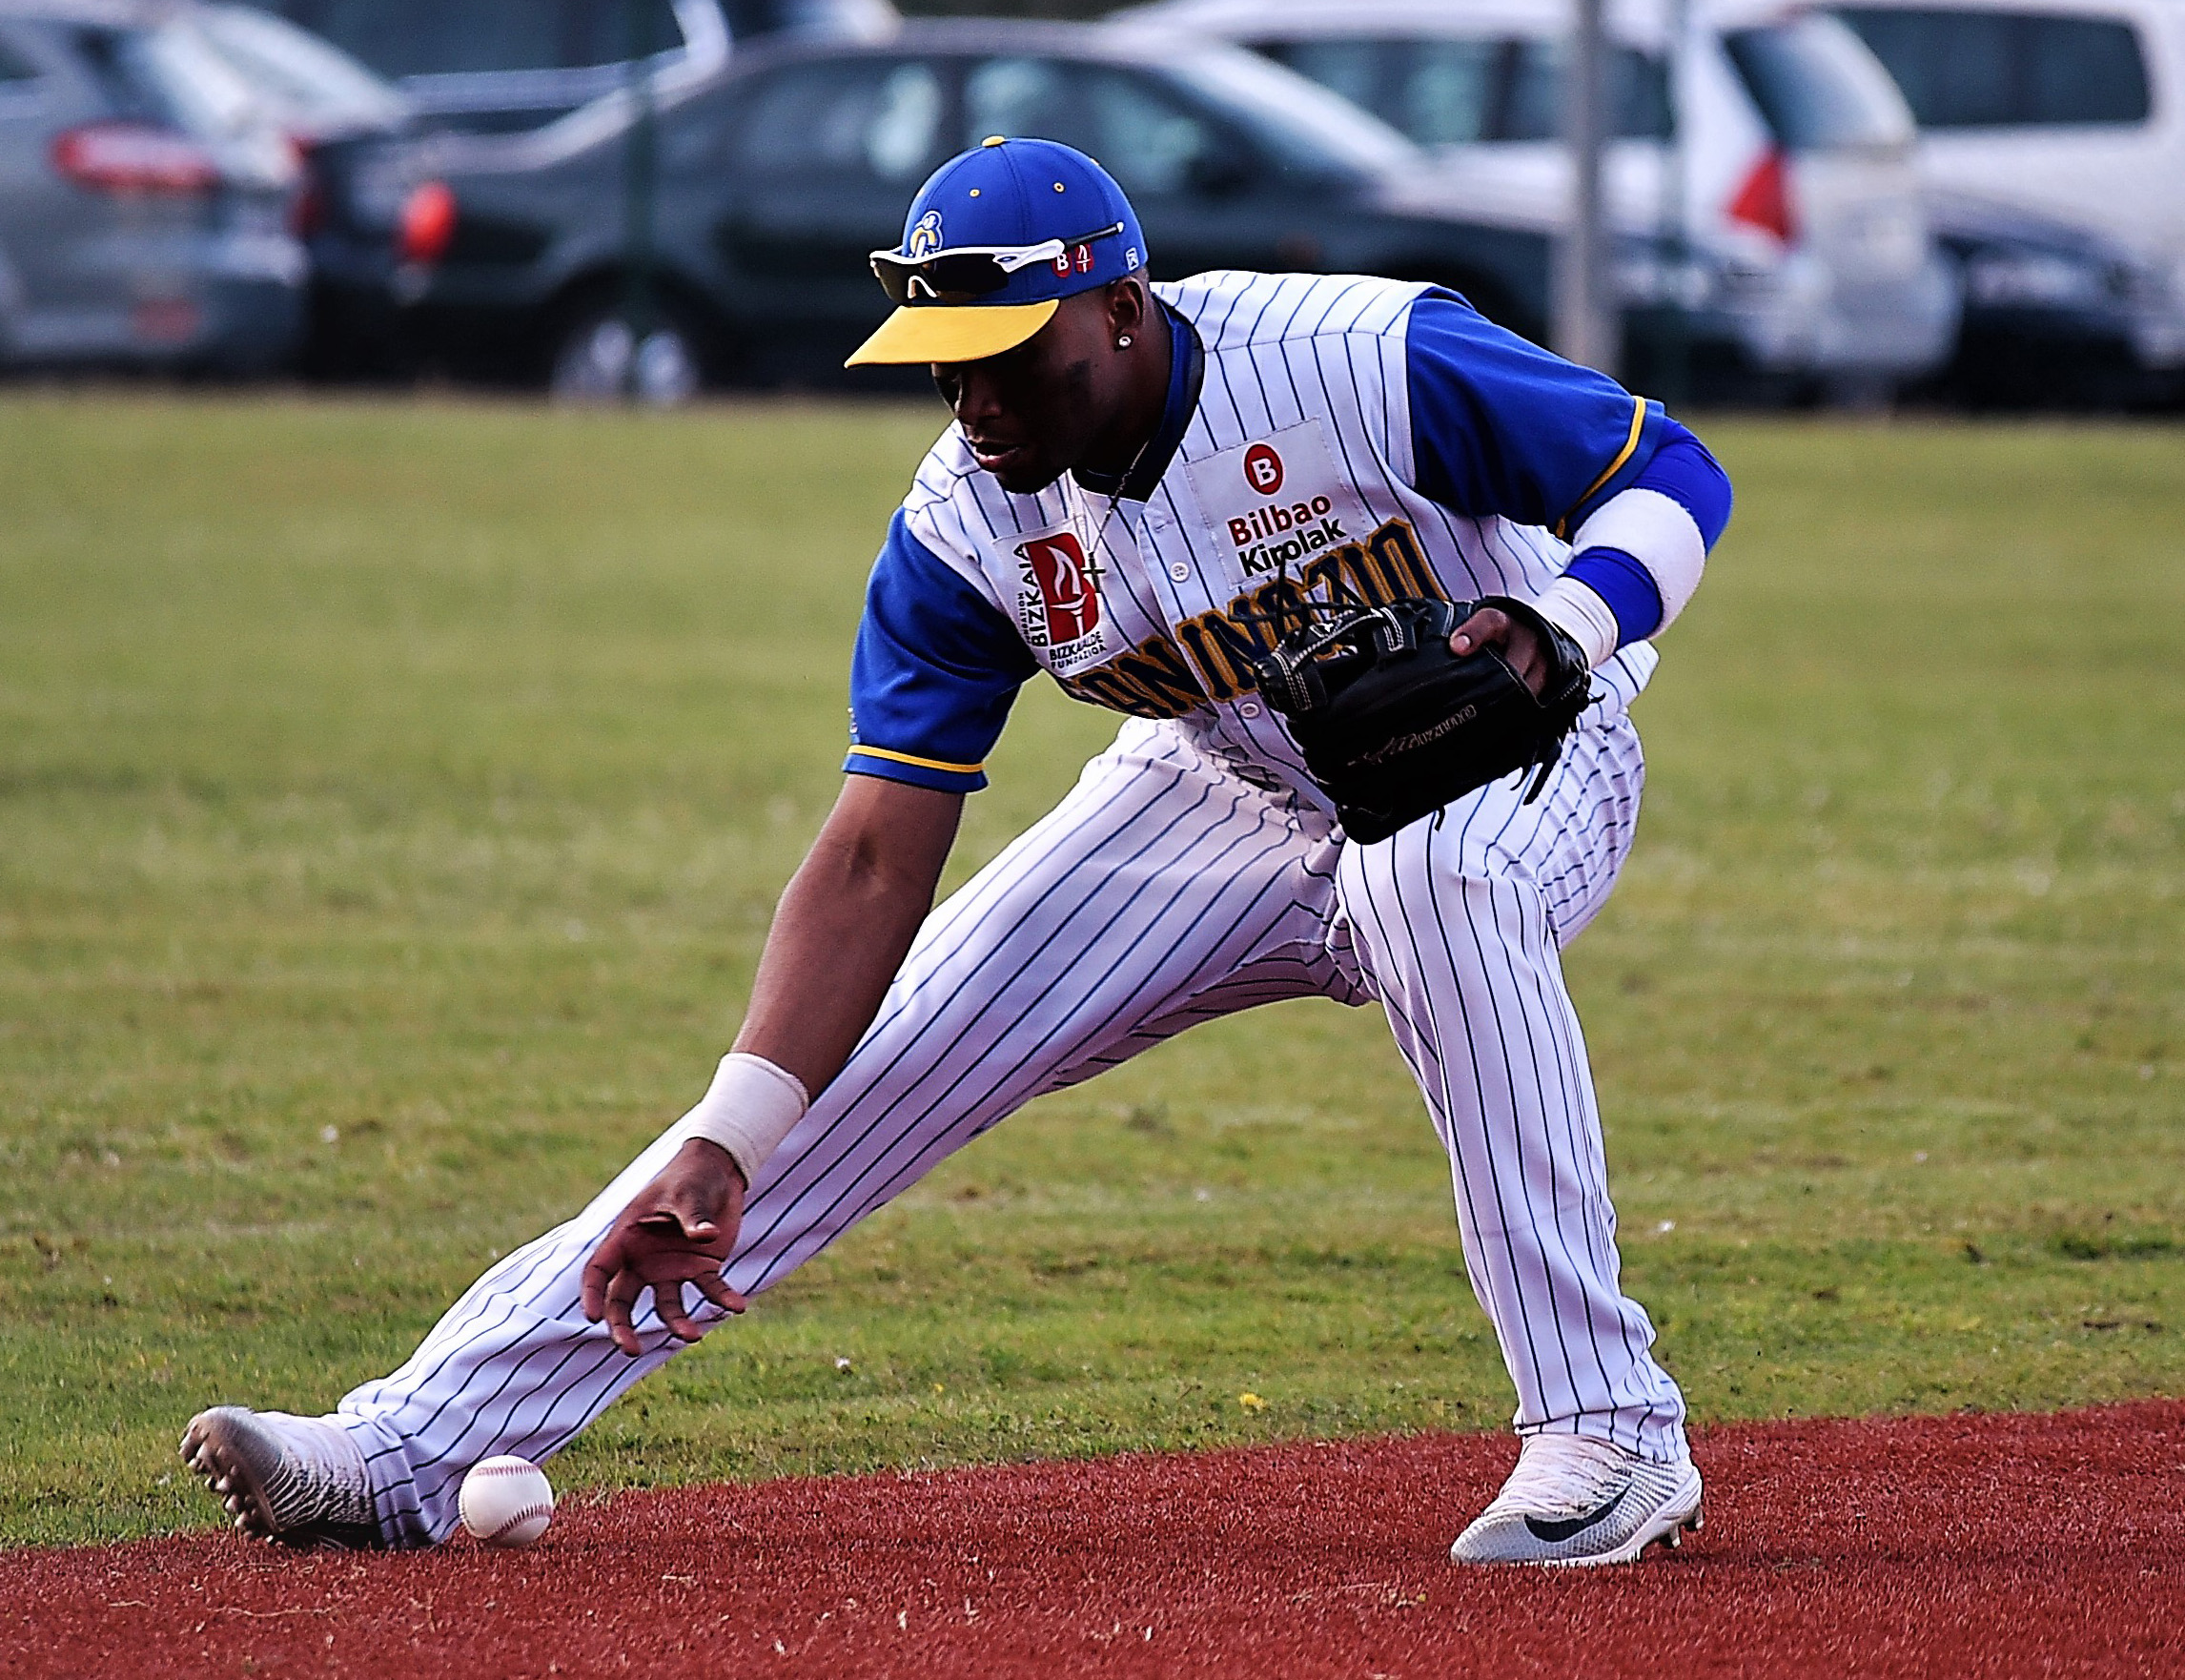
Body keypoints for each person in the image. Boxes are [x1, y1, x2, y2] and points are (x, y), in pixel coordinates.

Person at [183, 136, 1731, 1567]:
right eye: (944, 369)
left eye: (1009, 361)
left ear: (1122, 310)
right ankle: (402, 1449)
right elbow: (872, 857)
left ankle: (1609, 1432)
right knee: (862, 1070)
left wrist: (1563, 626)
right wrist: (730, 1133)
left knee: (1428, 882)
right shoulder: (967, 526)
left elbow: (1676, 474)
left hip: (1522, 748)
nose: (976, 404)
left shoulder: (1355, 357)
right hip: (1219, 792)